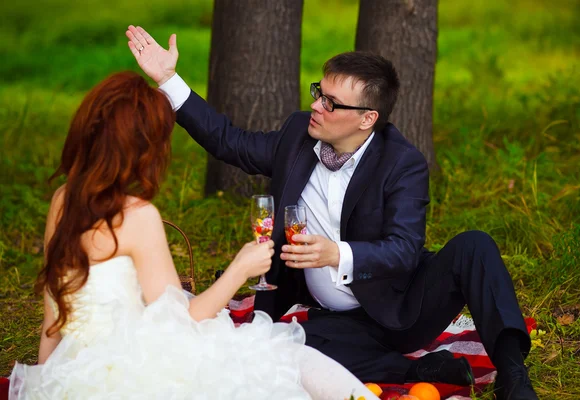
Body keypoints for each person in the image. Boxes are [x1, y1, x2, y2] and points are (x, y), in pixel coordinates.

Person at [126, 24, 539, 400]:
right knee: (286, 347)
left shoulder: (401, 163)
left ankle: (512, 374)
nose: (317, 106)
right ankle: (422, 369)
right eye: (318, 93)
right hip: (335, 320)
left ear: (367, 119)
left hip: (400, 307)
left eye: (331, 102)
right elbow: (229, 141)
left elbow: (404, 249)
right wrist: (168, 80)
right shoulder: (297, 136)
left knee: (475, 246)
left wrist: (336, 254)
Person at [8, 71, 379, 400]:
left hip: (78, 371)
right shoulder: (138, 217)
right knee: (283, 353)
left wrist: (47, 380)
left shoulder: (63, 200)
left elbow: (54, 309)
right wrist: (240, 268)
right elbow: (184, 320)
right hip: (139, 368)